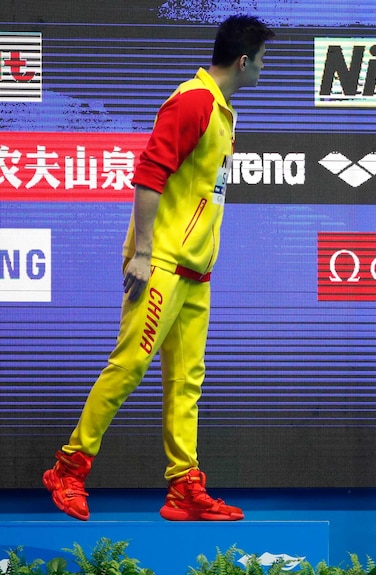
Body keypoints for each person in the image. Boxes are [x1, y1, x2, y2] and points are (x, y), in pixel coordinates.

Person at [42, 14, 275, 522]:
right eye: (261, 60)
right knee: (129, 366)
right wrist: (143, 253)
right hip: (162, 264)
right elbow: (150, 172)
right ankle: (69, 468)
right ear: (243, 60)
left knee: (187, 380)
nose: (263, 68)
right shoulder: (192, 101)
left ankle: (184, 487)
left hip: (195, 271)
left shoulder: (220, 109)